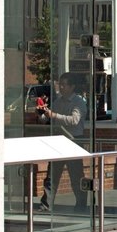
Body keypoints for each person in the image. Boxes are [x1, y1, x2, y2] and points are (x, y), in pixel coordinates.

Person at [40, 73, 88, 212]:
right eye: (59, 84)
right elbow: (49, 120)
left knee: (76, 176)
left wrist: (54, 115)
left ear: (72, 86)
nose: (60, 87)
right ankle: (46, 204)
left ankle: (81, 204)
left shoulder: (79, 102)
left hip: (74, 140)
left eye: (64, 84)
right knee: (52, 176)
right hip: (58, 141)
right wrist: (43, 113)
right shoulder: (57, 102)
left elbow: (74, 120)